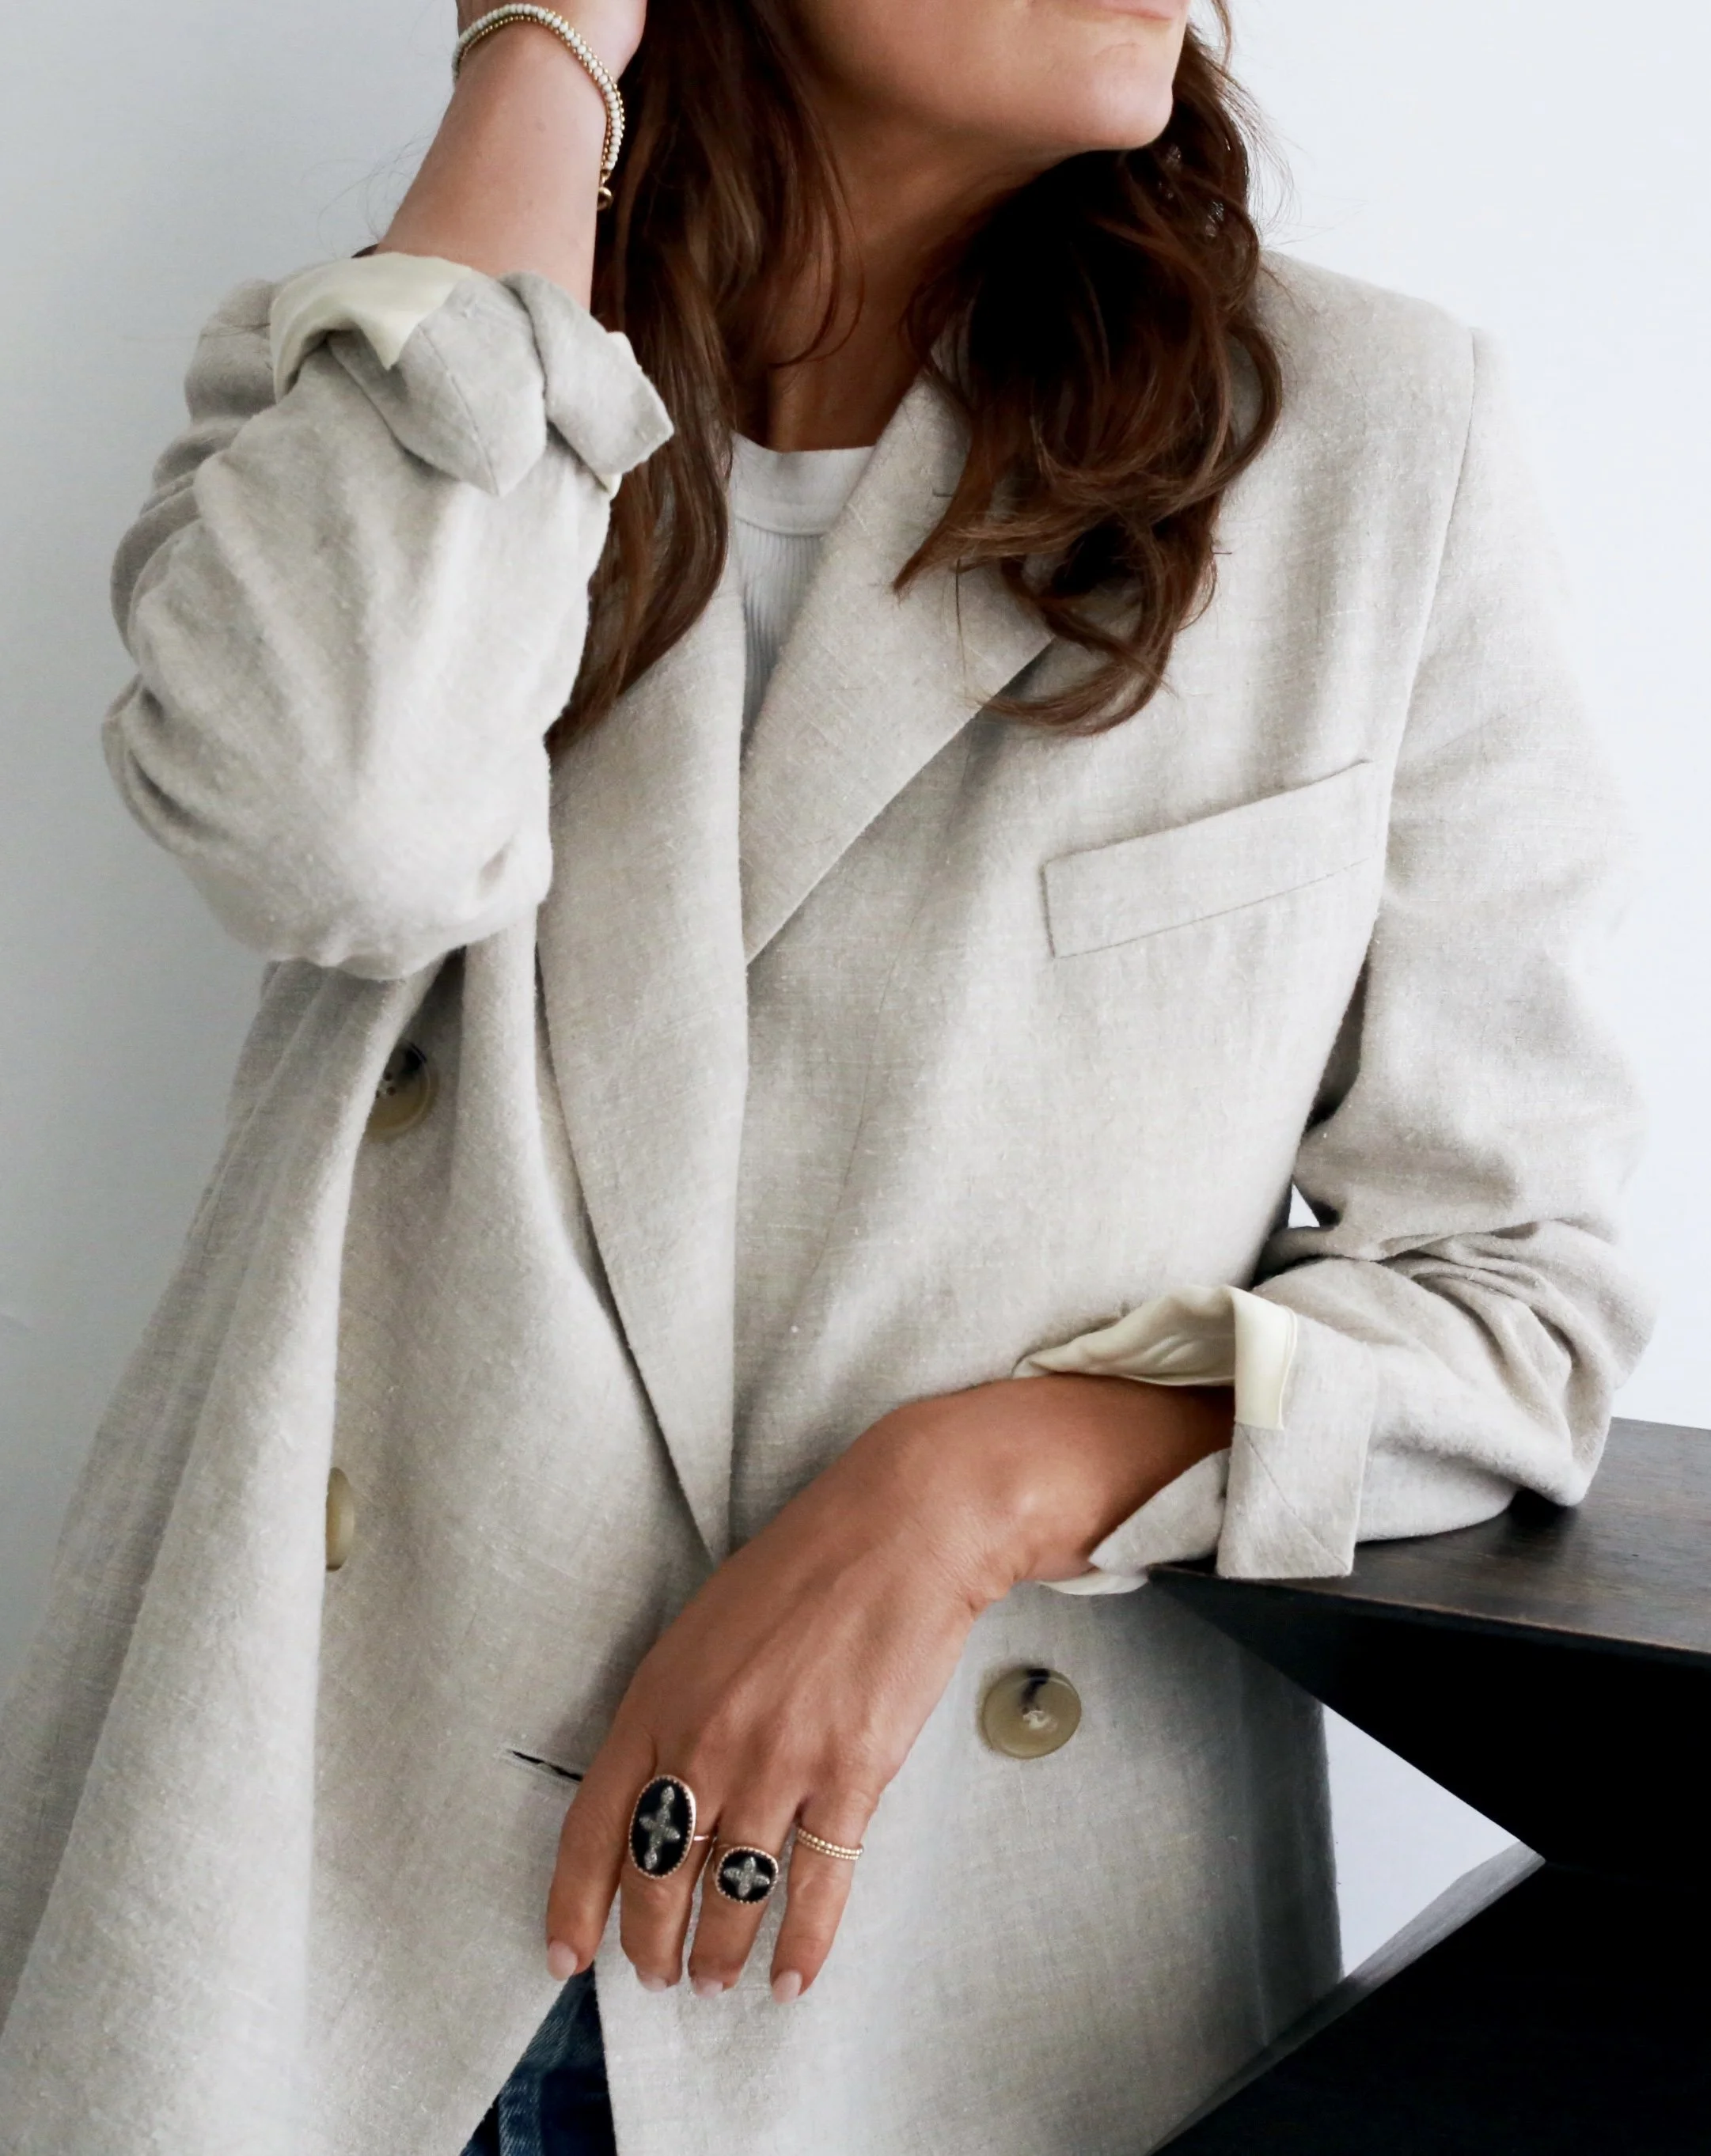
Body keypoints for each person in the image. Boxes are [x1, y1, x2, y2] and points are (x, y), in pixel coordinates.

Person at [0, 2, 1652, 2152]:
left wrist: (974, 1482)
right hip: (312, 1905)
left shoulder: (1359, 440)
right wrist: (535, 60)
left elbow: (1519, 1290)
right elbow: (340, 829)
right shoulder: (406, 366)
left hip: (943, 1968)